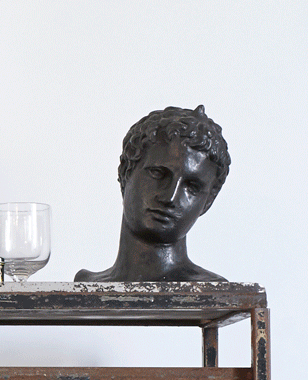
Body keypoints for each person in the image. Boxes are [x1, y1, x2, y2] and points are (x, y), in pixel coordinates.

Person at [75, 104, 231, 283]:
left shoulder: (210, 290)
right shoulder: (86, 284)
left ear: (208, 202)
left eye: (192, 187)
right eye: (158, 174)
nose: (170, 197)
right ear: (126, 172)